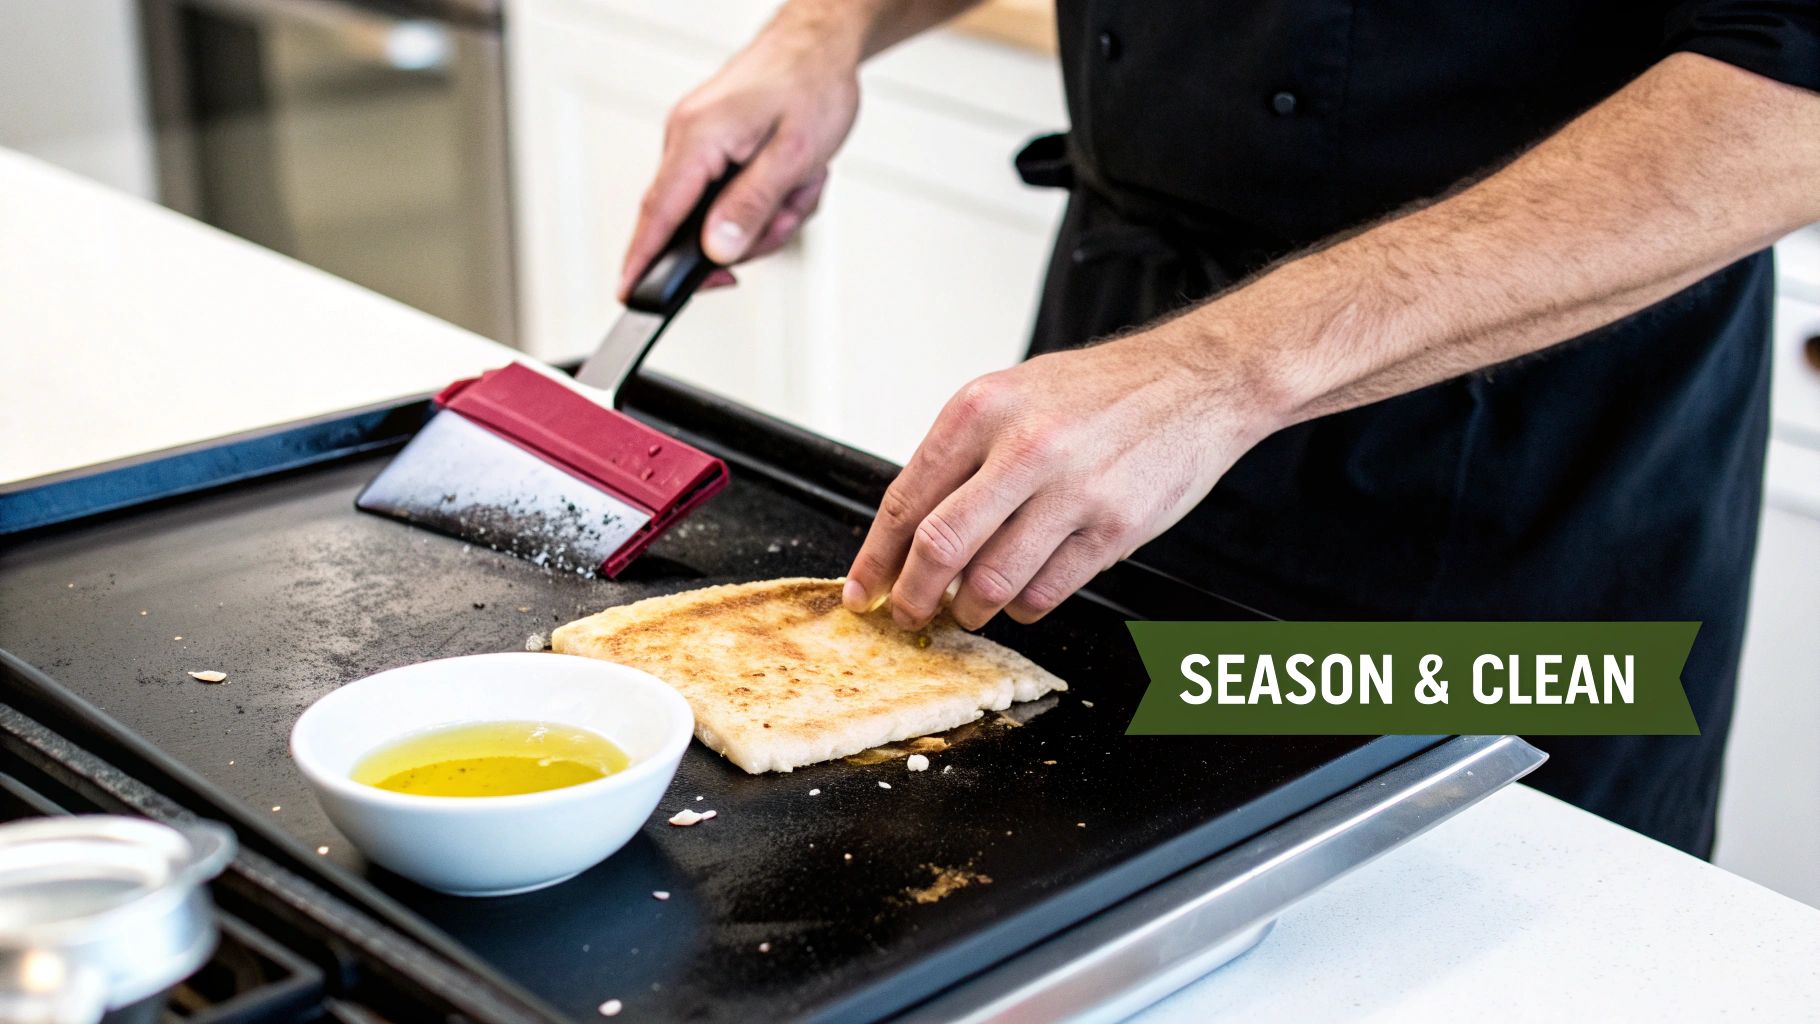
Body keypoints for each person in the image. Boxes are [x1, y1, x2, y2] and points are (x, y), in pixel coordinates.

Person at [620, 0, 1820, 856]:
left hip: (1507, 480)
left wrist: (1219, 369)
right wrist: (821, 30)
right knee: (1075, 881)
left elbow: (1788, 89)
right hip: (1118, 402)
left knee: (1445, 936)